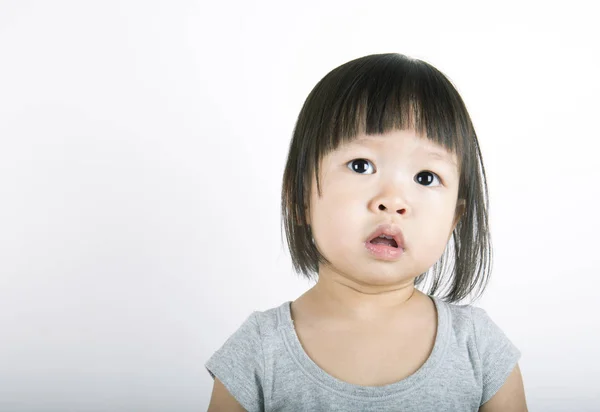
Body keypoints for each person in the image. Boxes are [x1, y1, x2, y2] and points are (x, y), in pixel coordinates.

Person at [205, 53, 527, 411]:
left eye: (426, 177)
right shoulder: (258, 351)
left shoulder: (479, 347)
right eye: (361, 165)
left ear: (455, 218)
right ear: (299, 197)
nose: (393, 200)